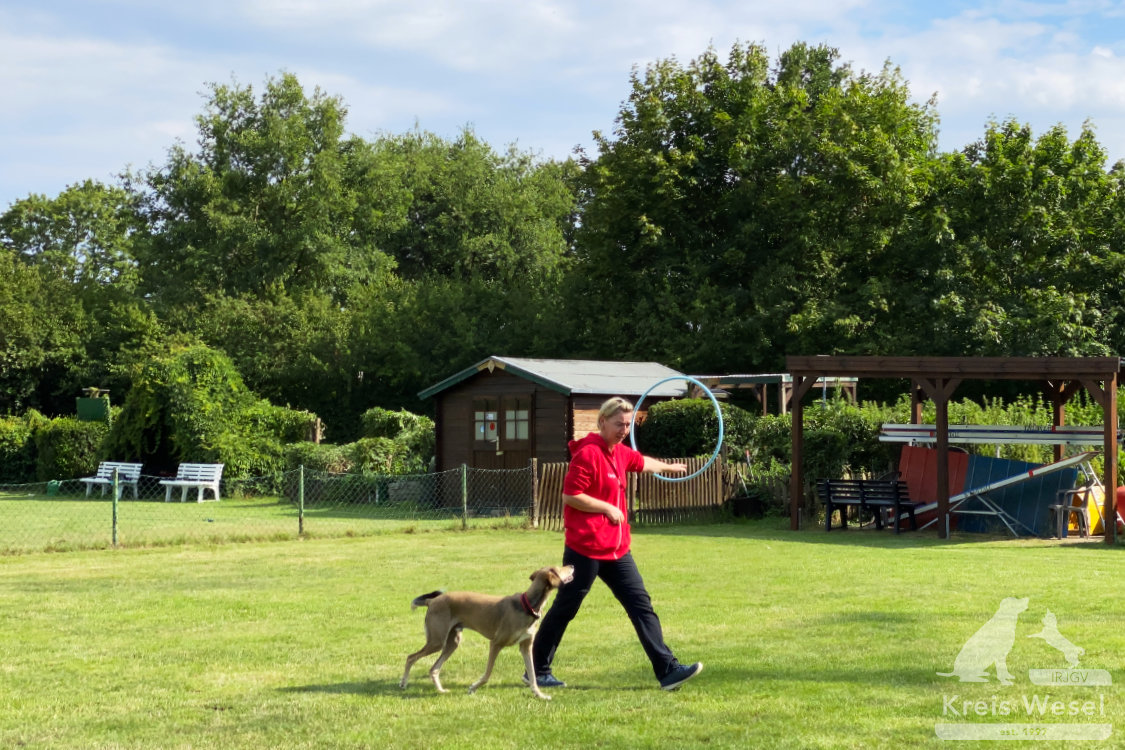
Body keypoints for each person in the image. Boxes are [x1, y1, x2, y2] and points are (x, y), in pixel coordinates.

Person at [528, 396, 703, 691]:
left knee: (640, 604)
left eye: (628, 424)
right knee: (566, 608)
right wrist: (607, 508)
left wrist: (669, 467)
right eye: (619, 424)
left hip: (616, 549)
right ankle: (537, 669)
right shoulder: (588, 454)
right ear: (602, 422)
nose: (624, 429)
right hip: (585, 548)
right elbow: (571, 495)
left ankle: (667, 670)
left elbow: (642, 461)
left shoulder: (619, 452)